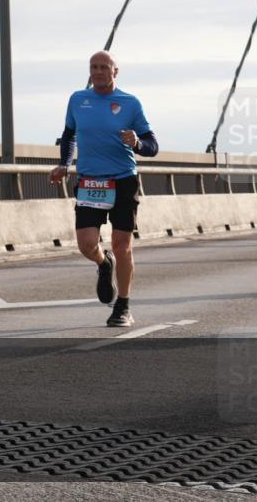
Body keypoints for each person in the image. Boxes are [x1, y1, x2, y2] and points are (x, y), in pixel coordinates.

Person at [49, 51, 159, 327]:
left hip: (123, 180)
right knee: (86, 244)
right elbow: (69, 135)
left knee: (122, 246)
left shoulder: (130, 103)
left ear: (115, 72)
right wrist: (64, 164)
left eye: (104, 67)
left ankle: (122, 305)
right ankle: (102, 263)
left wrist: (136, 142)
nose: (98, 72)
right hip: (90, 181)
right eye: (93, 67)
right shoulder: (78, 99)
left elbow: (152, 145)